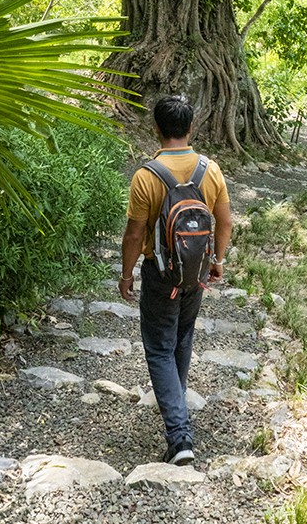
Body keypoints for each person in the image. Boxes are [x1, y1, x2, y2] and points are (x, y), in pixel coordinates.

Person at [118, 94, 232, 466]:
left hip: (160, 274)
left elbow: (134, 235)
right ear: (191, 128)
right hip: (195, 273)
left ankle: (179, 435)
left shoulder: (145, 176)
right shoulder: (210, 170)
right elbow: (225, 222)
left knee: (158, 347)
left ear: (156, 128)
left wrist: (126, 274)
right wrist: (217, 260)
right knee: (183, 337)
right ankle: (175, 404)